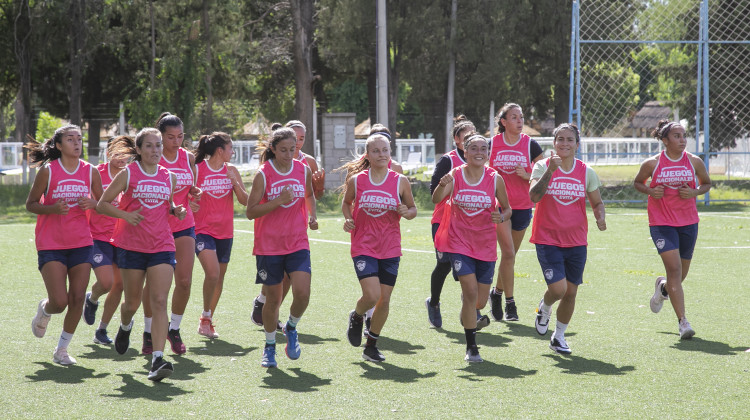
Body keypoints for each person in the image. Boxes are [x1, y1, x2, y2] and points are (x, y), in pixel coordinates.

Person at [97, 127, 186, 381]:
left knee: (159, 301)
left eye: (158, 145)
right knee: (132, 303)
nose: (155, 150)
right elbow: (102, 204)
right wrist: (125, 215)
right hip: (131, 246)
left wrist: (176, 210)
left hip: (162, 245)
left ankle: (157, 358)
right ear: (139, 149)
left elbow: (167, 206)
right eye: (149, 145)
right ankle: (125, 325)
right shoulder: (128, 173)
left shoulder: (169, 176)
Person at [27, 125, 103, 365]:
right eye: (70, 139)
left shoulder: (90, 171)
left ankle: (61, 349)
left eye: (79, 139)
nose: (77, 143)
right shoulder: (48, 172)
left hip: (81, 242)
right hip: (51, 243)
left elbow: (102, 203)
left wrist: (92, 204)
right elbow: (30, 204)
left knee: (78, 298)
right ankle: (45, 310)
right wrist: (52, 208)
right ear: (59, 145)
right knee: (60, 302)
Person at [432, 133, 511, 363]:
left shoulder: (495, 178)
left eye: (483, 148)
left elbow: (508, 209)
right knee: (469, 291)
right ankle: (471, 347)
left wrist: (501, 215)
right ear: (465, 153)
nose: (479, 152)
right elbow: (437, 199)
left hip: (485, 245)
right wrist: (441, 184)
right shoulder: (455, 175)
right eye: (474, 148)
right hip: (459, 243)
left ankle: (469, 314)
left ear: (488, 153)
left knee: (478, 301)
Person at [529, 123, 606, 355]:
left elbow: (597, 202)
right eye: (560, 139)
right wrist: (551, 171)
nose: (564, 144)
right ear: (554, 143)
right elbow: (533, 196)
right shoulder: (542, 166)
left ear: (577, 145)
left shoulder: (586, 171)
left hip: (576, 241)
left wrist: (600, 217)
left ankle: (559, 337)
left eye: (569, 140)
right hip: (547, 238)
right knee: (558, 289)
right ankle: (545, 306)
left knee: (571, 292)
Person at [340, 134, 417, 362]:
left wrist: (407, 213)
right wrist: (348, 219)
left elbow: (413, 209)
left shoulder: (400, 181)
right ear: (367, 155)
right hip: (363, 245)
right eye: (376, 151)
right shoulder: (357, 180)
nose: (381, 154)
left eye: (385, 150)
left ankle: (371, 345)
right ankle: (357, 316)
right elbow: (347, 203)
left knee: (384, 299)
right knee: (372, 295)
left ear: (390, 153)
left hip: (390, 247)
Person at [246, 127, 318, 368]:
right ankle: (269, 347)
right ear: (273, 150)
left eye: (293, 149)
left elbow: (309, 195)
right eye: (284, 150)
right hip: (269, 246)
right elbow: (250, 211)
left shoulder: (303, 169)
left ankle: (292, 327)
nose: (289, 154)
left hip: (298, 242)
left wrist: (312, 216)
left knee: (303, 293)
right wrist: (277, 201)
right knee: (273, 300)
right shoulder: (263, 174)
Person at [633, 119, 711, 340]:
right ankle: (683, 322)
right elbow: (637, 183)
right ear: (665, 140)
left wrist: (695, 193)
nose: (682, 140)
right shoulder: (652, 163)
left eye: (684, 135)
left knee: (680, 275)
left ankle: (663, 288)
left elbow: (706, 183)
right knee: (675, 270)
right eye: (677, 136)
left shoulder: (694, 162)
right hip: (662, 224)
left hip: (688, 223)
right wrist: (650, 190)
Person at [141, 112, 201, 356]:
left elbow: (190, 191)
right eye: (170, 137)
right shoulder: (152, 158)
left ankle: (173, 329)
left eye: (180, 136)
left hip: (184, 224)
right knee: (154, 288)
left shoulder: (188, 158)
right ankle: (148, 332)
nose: (176, 142)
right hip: (156, 228)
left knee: (184, 282)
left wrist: (194, 197)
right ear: (160, 136)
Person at [488, 103, 544, 321]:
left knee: (510, 256)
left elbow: (544, 173)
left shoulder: (530, 144)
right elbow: (483, 172)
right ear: (503, 122)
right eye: (514, 117)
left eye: (521, 117)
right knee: (508, 253)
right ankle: (510, 303)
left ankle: (497, 293)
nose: (520, 121)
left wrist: (527, 174)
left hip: (523, 206)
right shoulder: (492, 144)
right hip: (500, 206)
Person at [192, 132, 249, 339]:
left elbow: (245, 201)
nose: (232, 152)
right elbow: (186, 196)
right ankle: (205, 318)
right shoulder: (198, 170)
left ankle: (206, 320)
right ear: (220, 150)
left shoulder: (231, 170)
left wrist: (234, 182)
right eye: (230, 148)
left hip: (226, 233)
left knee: (219, 278)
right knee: (213, 273)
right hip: (202, 231)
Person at [425, 115, 473, 328]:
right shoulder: (448, 160)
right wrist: (450, 186)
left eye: (474, 135)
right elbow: (432, 191)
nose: (471, 141)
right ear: (457, 140)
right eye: (466, 137)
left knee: (467, 265)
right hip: (443, 221)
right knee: (444, 264)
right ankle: (433, 303)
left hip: (469, 223)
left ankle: (472, 308)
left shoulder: (481, 160)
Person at [85, 136, 131, 345]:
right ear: (108, 152)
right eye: (118, 153)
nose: (122, 158)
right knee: (106, 282)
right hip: (96, 235)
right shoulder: (96, 172)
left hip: (121, 236)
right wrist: (95, 204)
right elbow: (85, 200)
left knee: (119, 285)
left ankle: (101, 330)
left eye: (126, 154)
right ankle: (92, 298)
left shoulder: (131, 175)